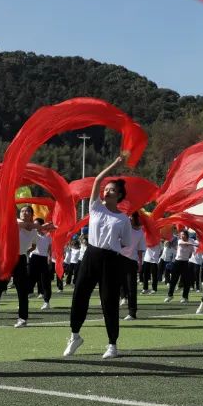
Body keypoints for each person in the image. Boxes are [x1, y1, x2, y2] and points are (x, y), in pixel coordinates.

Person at [63, 154, 132, 359]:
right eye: (107, 189)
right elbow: (97, 180)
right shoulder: (95, 208)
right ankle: (75, 335)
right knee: (79, 295)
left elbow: (126, 243)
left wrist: (110, 245)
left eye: (112, 190)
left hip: (111, 259)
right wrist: (114, 164)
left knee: (108, 301)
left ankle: (112, 344)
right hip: (91, 255)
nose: (107, 191)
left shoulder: (123, 219)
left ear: (119, 195)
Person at [0, 205, 38, 327]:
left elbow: (34, 245)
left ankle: (23, 318)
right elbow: (26, 226)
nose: (25, 213)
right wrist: (43, 226)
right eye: (23, 211)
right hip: (8, 258)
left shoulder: (34, 231)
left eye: (28, 211)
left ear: (32, 214)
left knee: (22, 290)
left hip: (21, 259)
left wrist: (26, 250)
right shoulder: (16, 222)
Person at [119, 213, 145, 320]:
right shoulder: (124, 228)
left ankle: (132, 312)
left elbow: (140, 249)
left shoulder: (140, 233)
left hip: (131, 261)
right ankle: (111, 311)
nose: (131, 219)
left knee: (131, 288)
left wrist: (140, 262)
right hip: (119, 258)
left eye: (133, 218)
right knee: (116, 285)